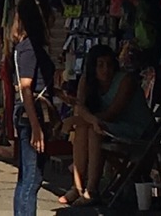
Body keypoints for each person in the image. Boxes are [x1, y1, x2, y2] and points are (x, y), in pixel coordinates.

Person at [58, 44, 154, 207]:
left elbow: (111, 114)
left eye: (109, 64)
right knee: (85, 128)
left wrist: (77, 121)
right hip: (108, 125)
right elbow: (81, 109)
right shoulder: (87, 81)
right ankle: (77, 186)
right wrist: (84, 120)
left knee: (95, 129)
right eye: (100, 65)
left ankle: (92, 189)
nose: (106, 69)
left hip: (137, 129)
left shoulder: (125, 81)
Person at [12, 0, 56, 216]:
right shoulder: (30, 48)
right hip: (31, 116)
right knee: (32, 178)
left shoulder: (26, 46)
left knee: (26, 177)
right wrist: (36, 126)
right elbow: (26, 88)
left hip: (28, 115)